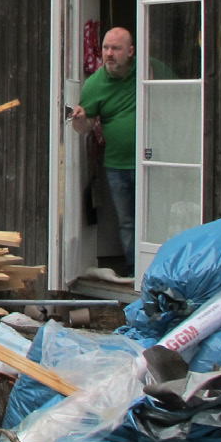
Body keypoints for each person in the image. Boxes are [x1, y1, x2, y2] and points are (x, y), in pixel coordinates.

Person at [71, 27, 137, 277]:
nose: (109, 54)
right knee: (127, 222)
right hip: (116, 165)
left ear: (130, 52)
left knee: (152, 219)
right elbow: (83, 128)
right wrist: (79, 119)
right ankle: (134, 273)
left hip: (150, 162)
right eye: (106, 48)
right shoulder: (94, 84)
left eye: (116, 49)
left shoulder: (145, 70)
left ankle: (159, 270)